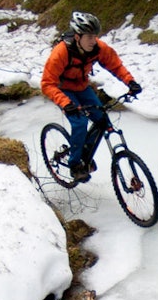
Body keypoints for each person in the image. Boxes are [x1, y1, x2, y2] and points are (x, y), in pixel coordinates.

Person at [41, 11, 142, 182]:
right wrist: (65, 103)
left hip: (82, 86)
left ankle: (84, 153)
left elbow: (115, 65)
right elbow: (47, 84)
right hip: (63, 90)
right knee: (80, 122)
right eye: (89, 37)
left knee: (102, 120)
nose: (93, 40)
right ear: (77, 37)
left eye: (95, 36)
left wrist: (130, 82)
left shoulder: (98, 48)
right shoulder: (61, 52)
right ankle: (75, 164)